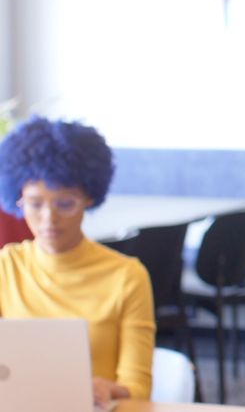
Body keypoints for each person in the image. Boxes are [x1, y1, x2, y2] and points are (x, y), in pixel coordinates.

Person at [0, 117, 155, 407]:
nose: (49, 219)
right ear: (17, 200)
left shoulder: (127, 276)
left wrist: (109, 388)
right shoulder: (6, 268)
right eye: (35, 203)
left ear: (88, 199)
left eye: (65, 204)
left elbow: (139, 387)